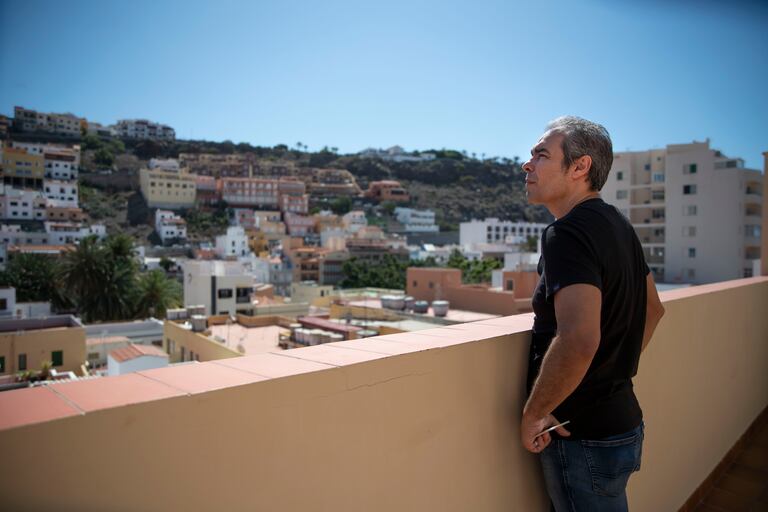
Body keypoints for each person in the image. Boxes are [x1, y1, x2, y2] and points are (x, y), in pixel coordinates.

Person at [519, 116, 666, 511]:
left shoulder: (565, 233)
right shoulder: (618, 223)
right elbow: (653, 309)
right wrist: (610, 372)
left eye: (541, 155)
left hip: (580, 435)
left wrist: (534, 414)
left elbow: (578, 338)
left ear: (580, 167)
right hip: (622, 420)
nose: (527, 164)